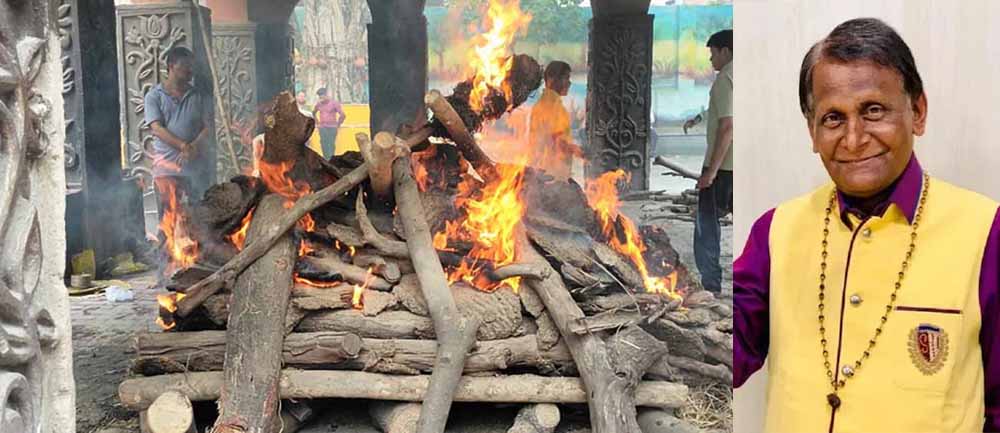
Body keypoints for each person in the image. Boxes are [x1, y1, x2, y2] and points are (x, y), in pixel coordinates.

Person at [734, 18, 1000, 432]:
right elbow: (725, 346)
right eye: (833, 118)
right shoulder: (774, 233)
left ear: (918, 112)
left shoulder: (986, 233)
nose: (854, 139)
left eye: (873, 111)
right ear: (812, 131)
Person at [683, 29, 733, 294]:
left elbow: (727, 125)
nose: (711, 59)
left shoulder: (725, 78)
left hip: (722, 167)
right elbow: (720, 110)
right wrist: (699, 119)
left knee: (706, 226)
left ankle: (711, 286)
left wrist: (711, 173)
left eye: (713, 53)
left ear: (725, 51)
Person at [144, 46, 212, 214]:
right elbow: (157, 128)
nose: (191, 70)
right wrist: (183, 146)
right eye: (186, 65)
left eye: (192, 66)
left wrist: (194, 147)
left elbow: (209, 126)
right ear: (171, 66)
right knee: (168, 221)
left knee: (196, 219)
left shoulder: (198, 95)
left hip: (194, 171)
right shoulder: (154, 96)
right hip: (166, 170)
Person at [529, 61, 583, 181]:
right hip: (551, 175)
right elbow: (557, 141)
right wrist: (579, 152)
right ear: (551, 79)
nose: (569, 83)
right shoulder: (549, 105)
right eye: (566, 78)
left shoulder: (549, 104)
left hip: (549, 173)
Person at [312, 87, 345, 157]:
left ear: (326, 95)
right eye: (320, 97)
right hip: (322, 128)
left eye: (322, 97)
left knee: (331, 144)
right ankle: (326, 159)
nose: (321, 99)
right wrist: (317, 123)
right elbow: (313, 113)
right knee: (323, 144)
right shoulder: (319, 104)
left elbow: (343, 115)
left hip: (332, 128)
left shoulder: (334, 103)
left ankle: (331, 159)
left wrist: (338, 124)